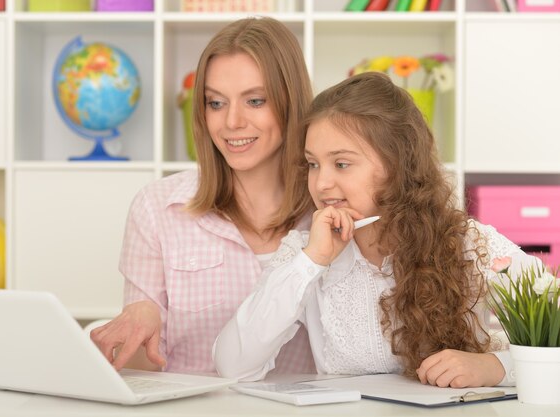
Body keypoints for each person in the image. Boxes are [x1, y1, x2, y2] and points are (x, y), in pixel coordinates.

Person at [213, 72, 543, 387]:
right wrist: (310, 262)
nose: (322, 183)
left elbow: (551, 323)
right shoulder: (306, 250)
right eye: (313, 164)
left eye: (341, 164)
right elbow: (234, 365)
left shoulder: (468, 242)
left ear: (396, 165)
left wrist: (497, 366)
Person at [90, 17, 317, 375]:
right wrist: (136, 326)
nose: (231, 122)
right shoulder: (158, 208)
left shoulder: (329, 212)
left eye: (255, 101)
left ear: (292, 102)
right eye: (215, 103)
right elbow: (141, 373)